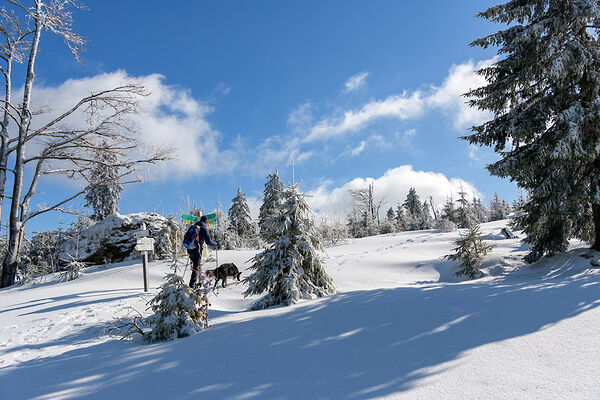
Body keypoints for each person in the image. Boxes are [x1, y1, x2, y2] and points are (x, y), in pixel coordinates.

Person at [184, 215, 217, 288]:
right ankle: (192, 286)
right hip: (197, 250)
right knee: (196, 267)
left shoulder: (193, 227)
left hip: (189, 249)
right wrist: (215, 244)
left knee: (196, 267)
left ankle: (195, 283)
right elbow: (208, 242)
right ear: (205, 222)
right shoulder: (203, 229)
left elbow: (185, 236)